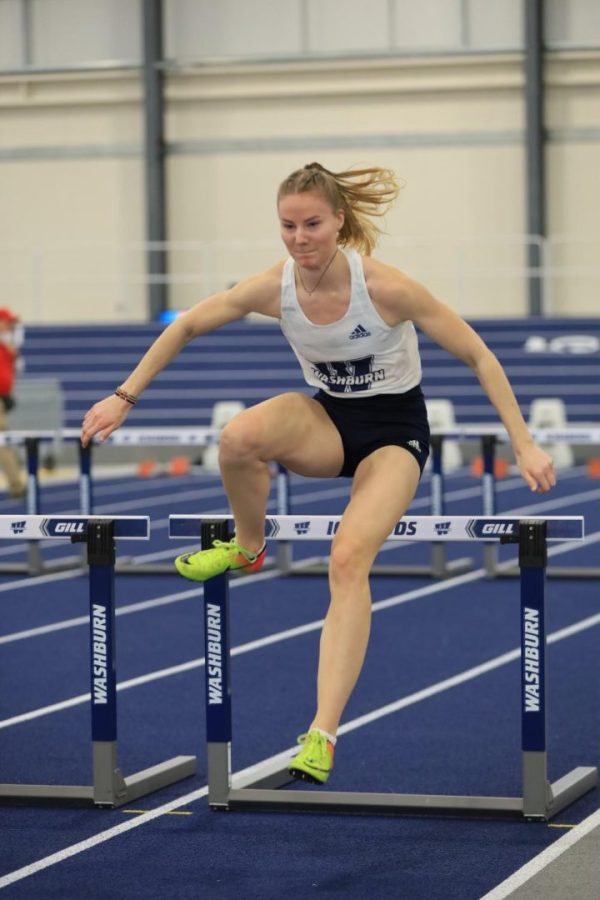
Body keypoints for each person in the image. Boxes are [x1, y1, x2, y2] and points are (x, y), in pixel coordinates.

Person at [81, 162, 555, 785]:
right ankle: (249, 547)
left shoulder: (385, 288)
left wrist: (523, 443)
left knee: (346, 557)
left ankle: (322, 734)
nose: (300, 238)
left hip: (394, 434)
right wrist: (123, 396)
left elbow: (477, 354)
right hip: (329, 424)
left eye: (311, 224)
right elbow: (190, 324)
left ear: (338, 223)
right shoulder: (273, 288)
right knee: (238, 437)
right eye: (287, 226)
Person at [0, 307, 25, 498]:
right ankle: (16, 484)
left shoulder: (8, 346)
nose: (11, 327)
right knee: (2, 442)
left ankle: (16, 481)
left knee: (4, 441)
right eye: (7, 322)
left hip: (3, 398)